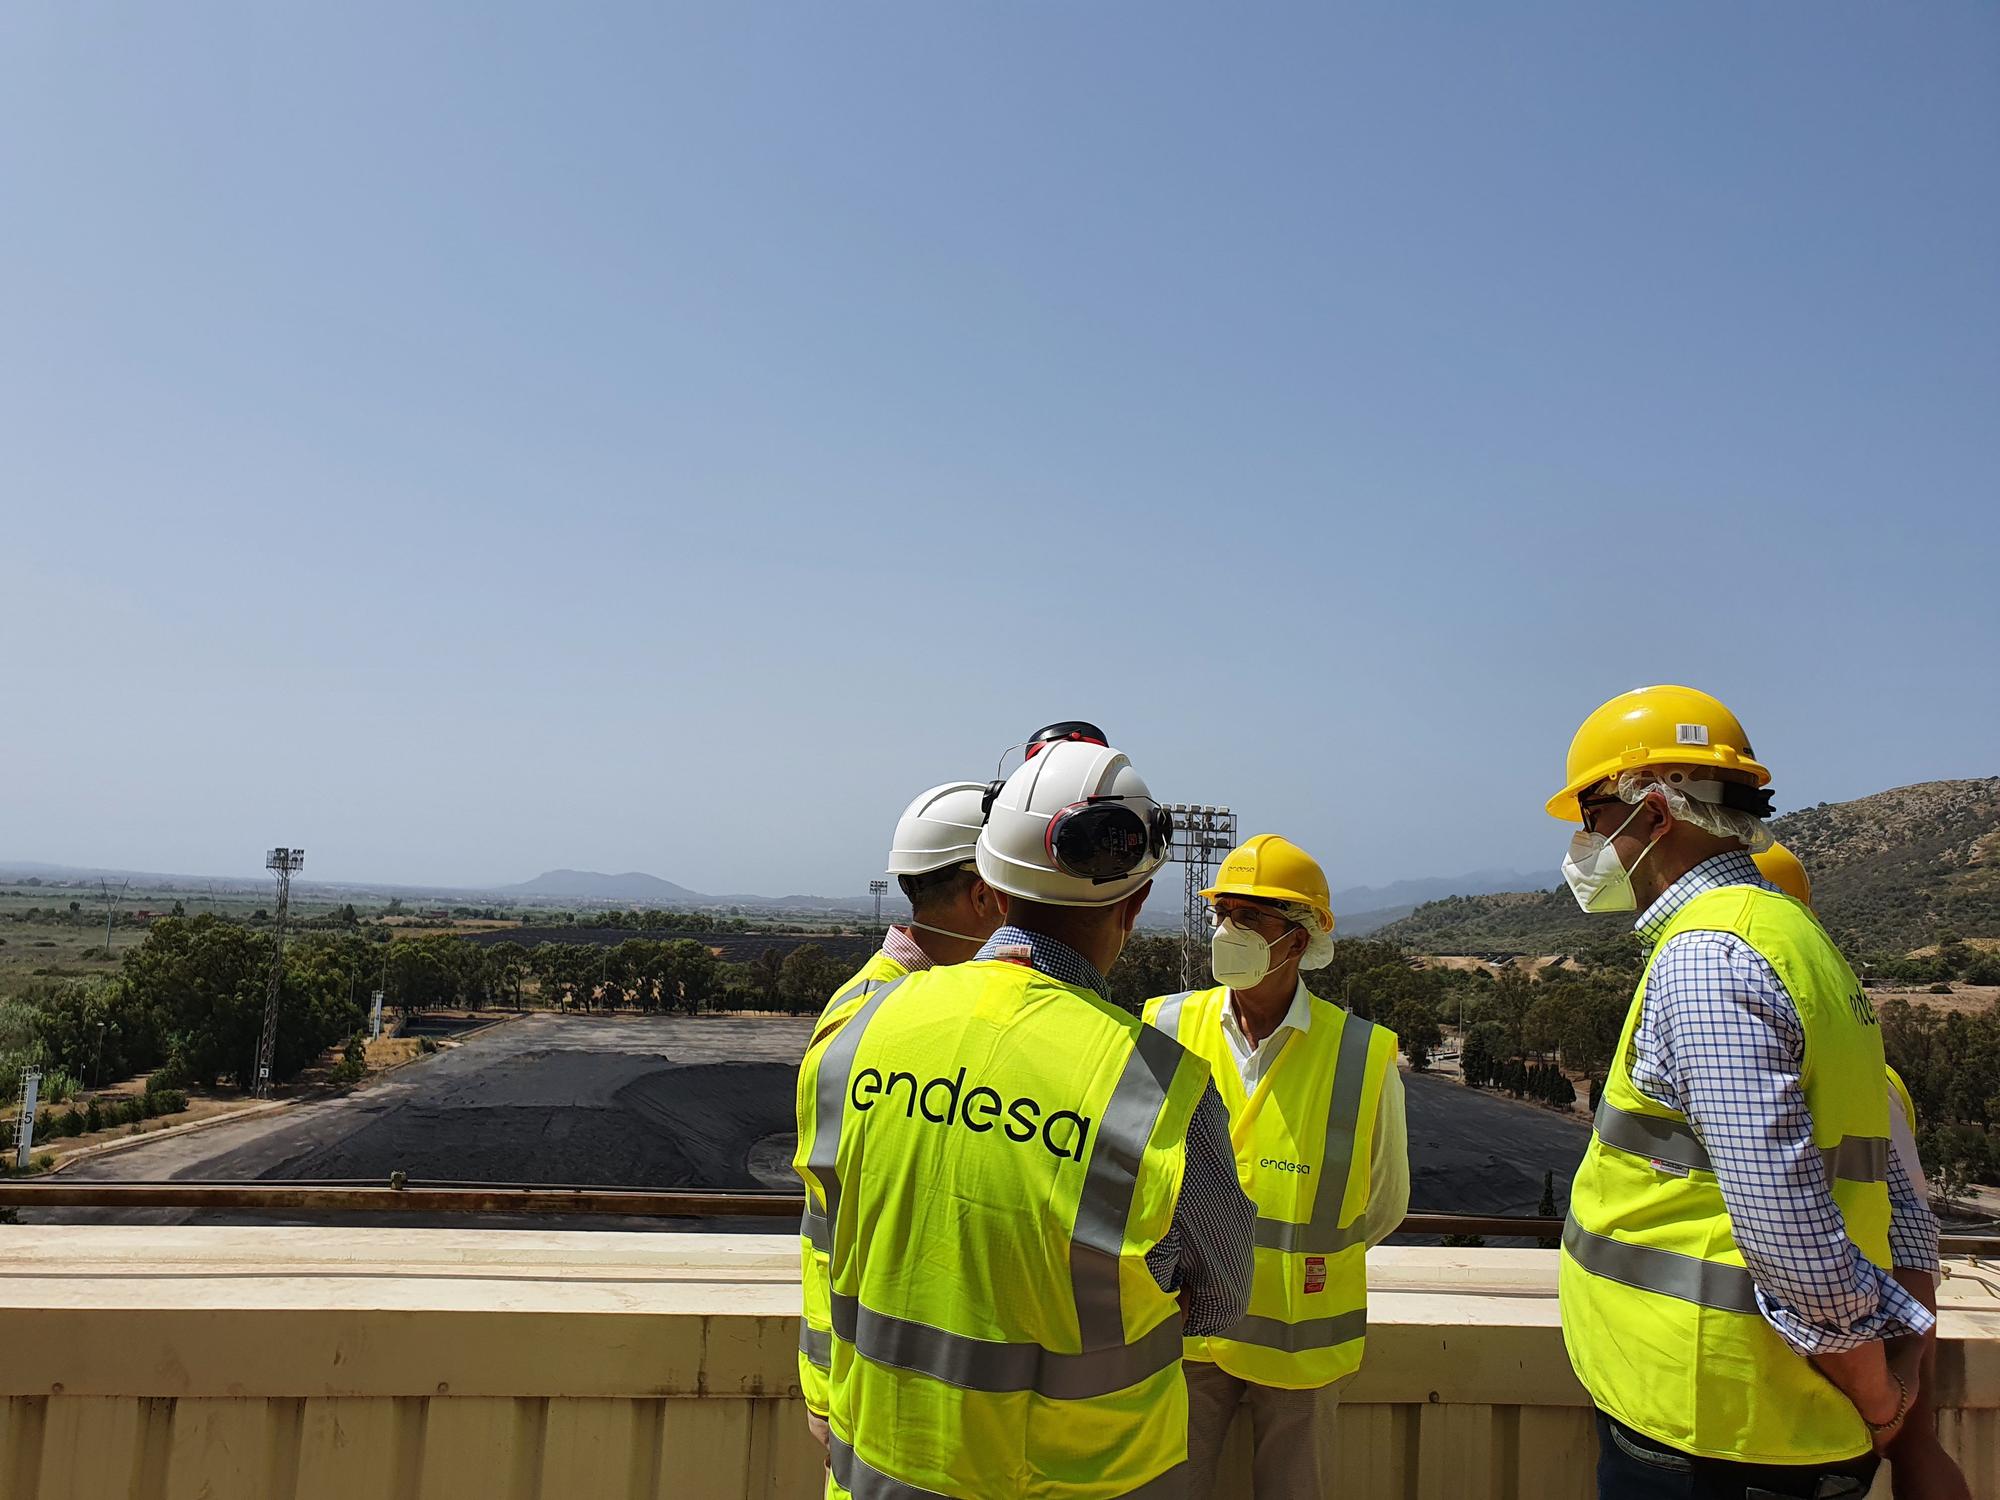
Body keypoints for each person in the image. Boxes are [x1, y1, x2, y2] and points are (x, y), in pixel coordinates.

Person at [794, 737, 1256, 1498]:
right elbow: (1220, 1301)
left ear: (993, 888)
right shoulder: (1155, 1089)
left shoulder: (858, 1031)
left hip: (878, 1476)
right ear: (1135, 904)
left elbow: (826, 1238)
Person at [1550, 686, 1936, 1499]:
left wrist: (1880, 1398)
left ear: (1652, 814)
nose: (1582, 845)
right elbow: (1896, 1198)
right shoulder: (1800, 944)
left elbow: (1790, 1235)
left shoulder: (1708, 960)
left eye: (1591, 816)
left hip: (1715, 1427)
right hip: (1769, 1427)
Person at [1143, 834, 1409, 1499]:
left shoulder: (1361, 1054)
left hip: (1300, 1345)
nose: (1228, 931)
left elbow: (1383, 1203)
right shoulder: (1166, 1027)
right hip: (1185, 1329)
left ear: (1299, 938)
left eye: (1251, 918)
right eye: (1223, 914)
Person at [1753, 843, 1969, 1500]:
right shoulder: (1861, 1067)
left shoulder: (1844, 1077)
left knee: (1916, 1446)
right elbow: (1910, 1226)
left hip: (1814, 1368)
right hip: (1846, 1358)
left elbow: (1899, 1229)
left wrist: (1891, 1389)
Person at [798, 779, 1010, 1439]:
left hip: (857, 1371)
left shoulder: (858, 1006)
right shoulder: (910, 1023)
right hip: (876, 1387)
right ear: (984, 895)